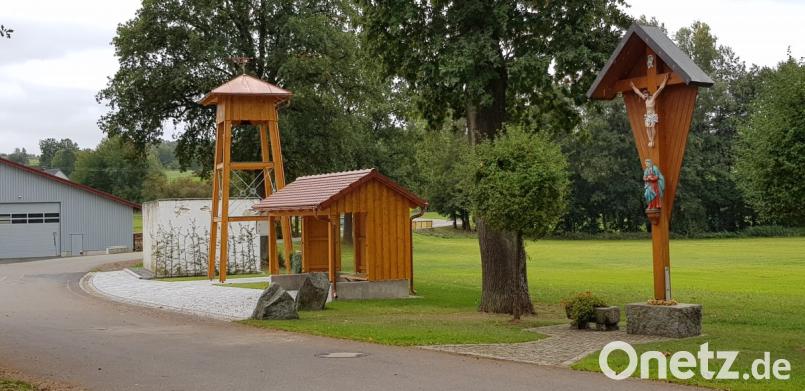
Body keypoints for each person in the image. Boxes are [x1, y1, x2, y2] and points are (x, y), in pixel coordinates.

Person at [631, 73, 669, 148]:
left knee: (652, 127)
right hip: (648, 115)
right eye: (644, 95)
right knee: (647, 127)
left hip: (653, 115)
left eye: (645, 95)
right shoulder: (645, 99)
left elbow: (660, 89)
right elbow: (637, 92)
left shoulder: (653, 97)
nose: (644, 96)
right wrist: (633, 86)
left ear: (648, 94)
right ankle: (650, 139)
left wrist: (665, 80)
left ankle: (652, 140)